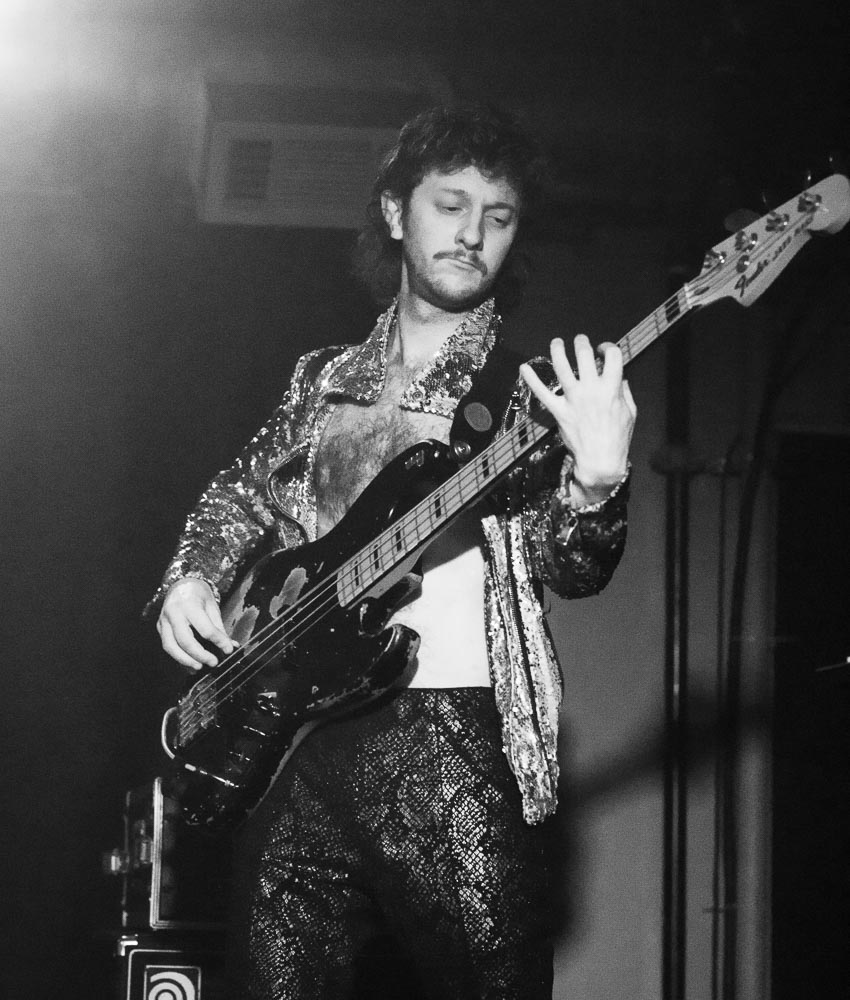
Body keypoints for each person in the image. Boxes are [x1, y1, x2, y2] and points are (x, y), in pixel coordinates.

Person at [146, 104, 636, 1000]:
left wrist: (597, 485)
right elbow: (242, 491)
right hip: (295, 741)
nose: (473, 234)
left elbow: (571, 567)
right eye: (451, 205)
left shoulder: (526, 395)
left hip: (450, 734)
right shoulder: (321, 378)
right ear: (394, 212)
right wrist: (192, 578)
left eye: (499, 216)